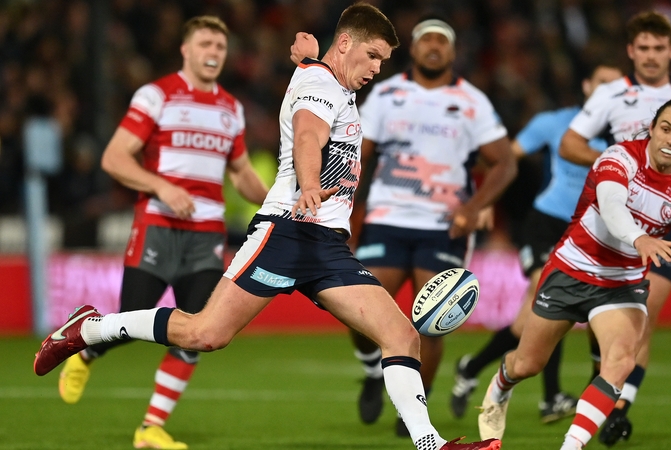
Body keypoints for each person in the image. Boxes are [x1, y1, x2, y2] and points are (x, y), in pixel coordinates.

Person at [35, 4, 501, 450]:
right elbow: (306, 133)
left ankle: (430, 444)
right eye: (373, 55)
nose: (377, 68)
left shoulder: (326, 77)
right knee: (204, 335)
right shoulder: (321, 83)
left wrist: (307, 57)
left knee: (402, 336)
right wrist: (312, 182)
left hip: (326, 244)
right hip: (287, 230)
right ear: (346, 44)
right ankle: (89, 330)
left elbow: (313, 83)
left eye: (383, 60)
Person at [476, 89, 671, 449]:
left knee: (619, 361)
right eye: (665, 128)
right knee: (527, 364)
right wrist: (639, 240)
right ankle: (501, 384)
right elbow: (613, 208)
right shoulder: (618, 158)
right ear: (652, 128)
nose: (670, 140)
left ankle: (571, 446)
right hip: (572, 268)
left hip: (622, 284)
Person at [292, 15, 517, 436]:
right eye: (426, 39)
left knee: (432, 317)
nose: (434, 47)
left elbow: (504, 162)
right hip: (386, 219)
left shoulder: (471, 100)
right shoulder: (387, 95)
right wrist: (347, 213)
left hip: (443, 226)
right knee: (362, 314)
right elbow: (356, 153)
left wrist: (475, 205)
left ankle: (414, 407)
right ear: (412, 49)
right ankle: (371, 370)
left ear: (452, 51)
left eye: (442, 41)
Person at [54, 16, 268, 450]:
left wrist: (278, 206)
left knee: (199, 329)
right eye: (205, 43)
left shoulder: (231, 108)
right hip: (157, 226)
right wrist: (161, 185)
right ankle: (89, 348)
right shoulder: (156, 96)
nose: (213, 52)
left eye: (221, 46)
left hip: (206, 233)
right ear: (185, 50)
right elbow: (115, 158)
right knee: (128, 319)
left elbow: (242, 171)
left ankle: (151, 427)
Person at [558, 10, 671, 445]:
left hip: (668, 224)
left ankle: (618, 406)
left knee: (643, 319)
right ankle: (606, 374)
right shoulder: (611, 94)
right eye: (644, 48)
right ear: (631, 51)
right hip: (610, 220)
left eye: (660, 48)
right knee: (601, 324)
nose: (652, 56)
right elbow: (570, 143)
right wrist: (612, 162)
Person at [450, 63, 623, 424]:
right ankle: (551, 398)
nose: (609, 91)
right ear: (586, 84)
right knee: (552, 295)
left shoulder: (625, 135)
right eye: (602, 83)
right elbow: (505, 157)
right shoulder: (556, 123)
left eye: (616, 86)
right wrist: (483, 201)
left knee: (527, 320)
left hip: (591, 232)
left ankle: (471, 367)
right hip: (546, 223)